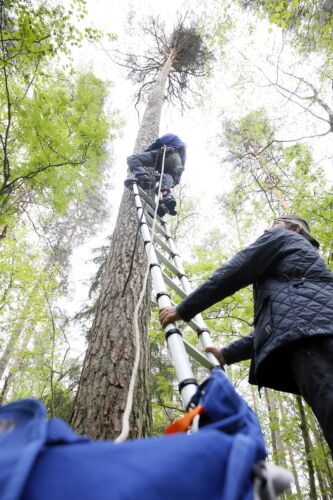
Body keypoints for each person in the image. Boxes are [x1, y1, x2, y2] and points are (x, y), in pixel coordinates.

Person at [159, 215, 333, 451]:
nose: (267, 227)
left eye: (275, 222)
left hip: (312, 338)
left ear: (294, 228)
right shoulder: (299, 284)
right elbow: (279, 325)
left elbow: (236, 271)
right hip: (316, 334)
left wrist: (183, 309)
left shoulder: (282, 238)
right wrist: (227, 354)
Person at [125, 133, 186, 216]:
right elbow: (177, 173)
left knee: (132, 158)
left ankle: (144, 178)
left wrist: (145, 153)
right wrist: (158, 179)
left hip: (167, 155)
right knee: (162, 187)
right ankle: (166, 200)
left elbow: (159, 142)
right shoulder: (183, 154)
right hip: (176, 168)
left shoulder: (173, 136)